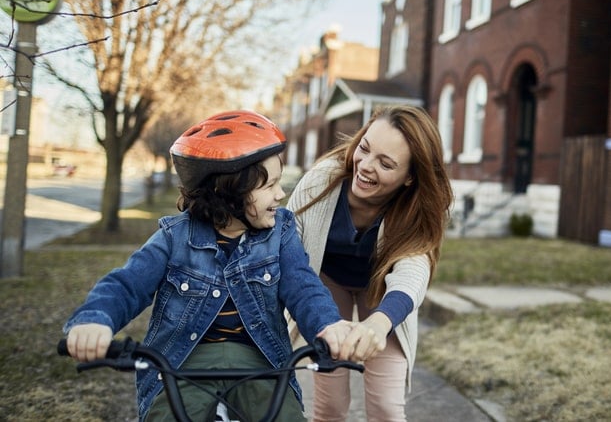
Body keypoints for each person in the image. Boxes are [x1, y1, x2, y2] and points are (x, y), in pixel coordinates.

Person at [63, 110, 383, 422]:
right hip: (183, 364)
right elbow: (127, 284)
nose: (280, 193)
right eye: (269, 185)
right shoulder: (175, 237)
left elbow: (303, 286)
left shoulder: (281, 232)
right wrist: (96, 321)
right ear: (229, 193)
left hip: (260, 362)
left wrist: (329, 326)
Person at [287, 105, 453, 421]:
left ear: (409, 178)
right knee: (330, 405)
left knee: (387, 408)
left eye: (386, 164)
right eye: (364, 148)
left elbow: (412, 273)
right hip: (326, 282)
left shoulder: (417, 210)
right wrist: (318, 315)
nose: (365, 165)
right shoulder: (320, 181)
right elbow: (288, 248)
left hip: (380, 289)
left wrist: (380, 323)